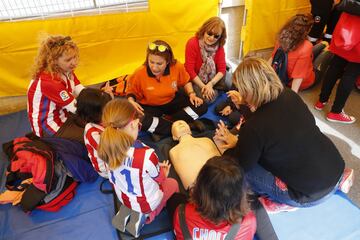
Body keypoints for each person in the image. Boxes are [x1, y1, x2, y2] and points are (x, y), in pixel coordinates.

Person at [214, 57, 354, 213]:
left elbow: (242, 165)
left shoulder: (255, 127)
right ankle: (337, 182)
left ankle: (285, 201)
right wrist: (243, 106)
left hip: (307, 195)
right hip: (335, 168)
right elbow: (267, 123)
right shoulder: (290, 96)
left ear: (248, 90)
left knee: (244, 173)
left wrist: (229, 148)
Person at [97, 98, 179, 237]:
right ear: (134, 124)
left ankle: (127, 211)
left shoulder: (106, 148)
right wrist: (164, 172)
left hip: (124, 196)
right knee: (172, 184)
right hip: (145, 201)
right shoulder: (147, 155)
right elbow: (160, 179)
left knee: (135, 193)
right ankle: (148, 215)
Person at [173, 156, 278, 240]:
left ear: (200, 186)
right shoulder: (249, 222)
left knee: (176, 198)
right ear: (241, 191)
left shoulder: (181, 213)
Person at [126, 40, 207, 140]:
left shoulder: (177, 66)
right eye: (151, 62)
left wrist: (192, 94)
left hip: (172, 101)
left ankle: (163, 127)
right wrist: (131, 101)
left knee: (201, 106)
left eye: (159, 64)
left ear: (168, 61)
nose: (154, 67)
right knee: (138, 119)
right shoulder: (139, 73)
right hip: (151, 106)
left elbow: (186, 81)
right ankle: (186, 126)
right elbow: (131, 92)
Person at [314, 12, 360, 124]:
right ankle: (336, 112)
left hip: (346, 26)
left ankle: (321, 100)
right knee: (352, 73)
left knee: (335, 64)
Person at [269, 14, 327, 93]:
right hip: (305, 81)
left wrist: (265, 77)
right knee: (328, 53)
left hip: (288, 71)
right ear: (306, 31)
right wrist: (293, 97)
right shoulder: (307, 46)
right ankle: (326, 47)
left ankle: (324, 44)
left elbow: (272, 58)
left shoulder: (281, 39)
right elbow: (298, 77)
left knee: (319, 46)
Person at [185, 16, 228, 103]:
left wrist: (210, 84)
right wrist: (204, 87)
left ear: (220, 37)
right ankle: (214, 92)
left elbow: (222, 69)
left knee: (228, 82)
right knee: (206, 99)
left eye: (216, 36)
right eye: (209, 33)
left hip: (212, 80)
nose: (212, 38)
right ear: (204, 30)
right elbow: (189, 69)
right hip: (196, 79)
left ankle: (214, 91)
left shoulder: (219, 46)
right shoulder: (192, 43)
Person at [169, 120, 220, 190]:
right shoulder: (173, 151)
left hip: (221, 177)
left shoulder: (206, 140)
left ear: (190, 130)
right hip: (201, 188)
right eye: (175, 126)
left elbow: (221, 161)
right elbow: (188, 184)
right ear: (174, 137)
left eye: (184, 123)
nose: (180, 123)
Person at [76, 88, 112, 178]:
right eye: (106, 110)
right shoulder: (94, 134)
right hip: (108, 169)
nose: (110, 111)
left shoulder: (103, 119)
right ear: (95, 114)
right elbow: (113, 153)